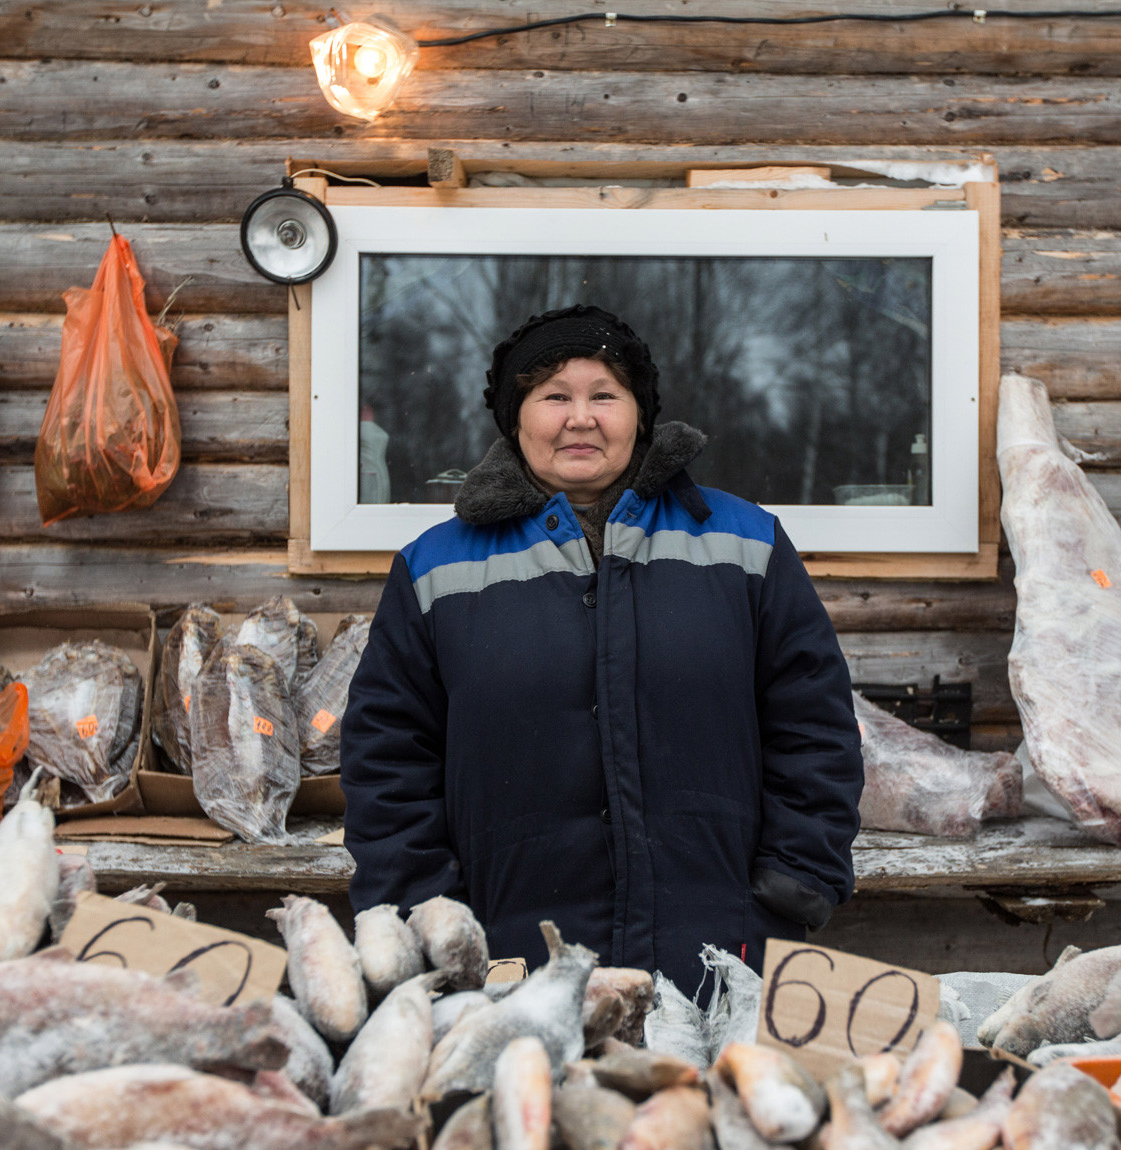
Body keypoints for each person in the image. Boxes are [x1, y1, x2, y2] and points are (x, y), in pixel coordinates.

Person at [342, 305, 863, 992]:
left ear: (639, 414)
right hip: (512, 952)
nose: (579, 418)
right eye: (554, 396)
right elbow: (387, 757)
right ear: (516, 417)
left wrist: (798, 873)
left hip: (719, 944)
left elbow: (815, 720)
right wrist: (430, 911)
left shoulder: (748, 544)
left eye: (604, 396)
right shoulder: (434, 568)